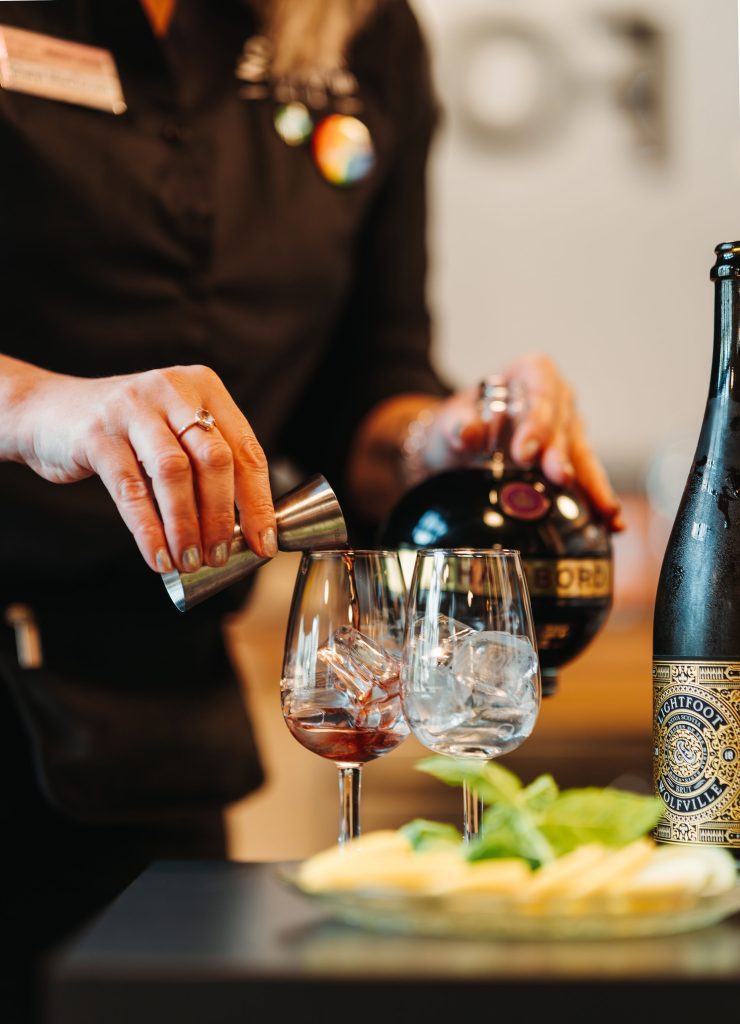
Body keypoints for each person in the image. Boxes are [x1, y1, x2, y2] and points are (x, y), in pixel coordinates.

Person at [0, 0, 623, 1019]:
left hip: (146, 748)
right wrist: (34, 406)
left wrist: (440, 441)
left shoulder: (361, 32)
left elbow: (370, 390)